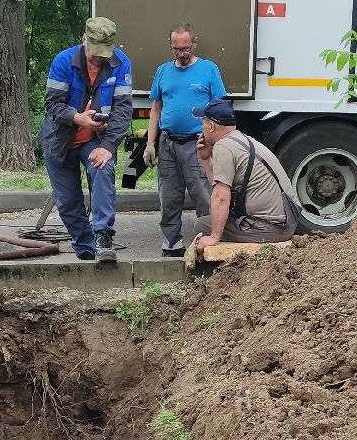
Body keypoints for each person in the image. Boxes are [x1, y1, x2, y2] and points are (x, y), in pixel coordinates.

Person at [39, 18, 132, 262]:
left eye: (104, 54)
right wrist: (78, 118)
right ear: (84, 40)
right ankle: (85, 250)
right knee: (68, 201)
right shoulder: (63, 61)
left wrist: (108, 146)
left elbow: (123, 110)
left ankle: (103, 237)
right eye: (94, 53)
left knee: (103, 168)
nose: (98, 59)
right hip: (60, 140)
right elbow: (52, 105)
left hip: (94, 139)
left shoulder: (121, 63)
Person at [143, 24, 225, 257]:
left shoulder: (208, 69)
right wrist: (151, 143)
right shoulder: (163, 71)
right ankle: (172, 243)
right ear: (171, 46)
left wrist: (213, 141)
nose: (182, 53)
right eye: (177, 49)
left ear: (194, 43)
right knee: (169, 195)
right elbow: (156, 109)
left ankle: (206, 241)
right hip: (168, 143)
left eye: (186, 48)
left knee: (203, 193)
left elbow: (219, 109)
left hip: (197, 142)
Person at [193, 99, 295, 247]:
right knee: (211, 221)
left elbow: (221, 197)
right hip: (285, 224)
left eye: (203, 123)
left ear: (211, 126)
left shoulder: (224, 147)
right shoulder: (240, 139)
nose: (201, 128)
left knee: (202, 225)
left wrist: (214, 237)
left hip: (270, 229)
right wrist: (205, 159)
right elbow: (218, 185)